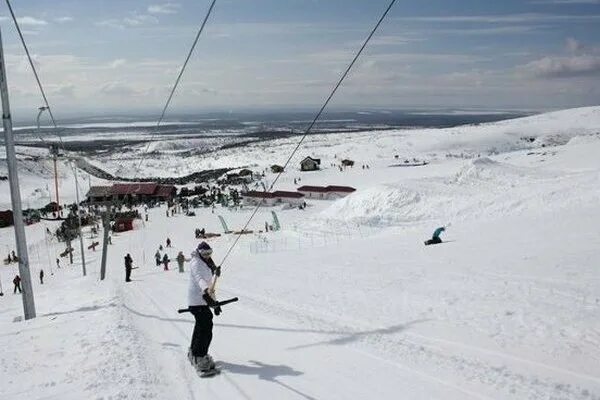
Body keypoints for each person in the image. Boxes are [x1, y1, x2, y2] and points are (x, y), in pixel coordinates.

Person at [187, 241, 221, 374]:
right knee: (205, 328)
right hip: (197, 300)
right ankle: (200, 357)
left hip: (202, 300)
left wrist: (215, 302)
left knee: (201, 326)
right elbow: (200, 279)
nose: (207, 255)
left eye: (209, 253)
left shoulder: (206, 262)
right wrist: (206, 292)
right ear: (199, 252)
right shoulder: (196, 262)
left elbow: (209, 284)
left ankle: (195, 354)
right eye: (204, 253)